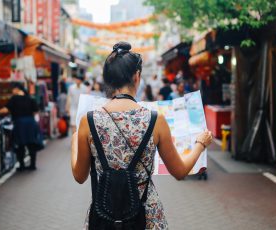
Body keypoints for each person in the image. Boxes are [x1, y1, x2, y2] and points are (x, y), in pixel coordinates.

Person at [71, 42, 213, 229]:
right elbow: (180, 171)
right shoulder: (155, 120)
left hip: (104, 216)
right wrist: (200, 143)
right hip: (147, 217)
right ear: (137, 77)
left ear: (107, 79)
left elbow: (79, 176)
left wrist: (75, 142)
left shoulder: (88, 121)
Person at [0, 83, 43, 171]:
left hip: (20, 123)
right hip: (31, 123)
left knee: (20, 145)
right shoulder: (30, 98)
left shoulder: (14, 99)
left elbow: (6, 109)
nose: (12, 91)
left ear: (17, 89)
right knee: (32, 145)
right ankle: (32, 165)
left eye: (13, 89)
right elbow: (36, 111)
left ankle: (22, 165)